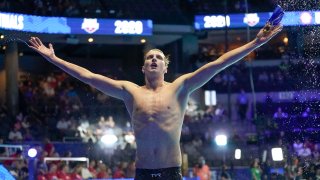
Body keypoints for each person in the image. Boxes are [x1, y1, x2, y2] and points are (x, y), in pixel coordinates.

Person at [28, 22, 282, 180]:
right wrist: (54, 59)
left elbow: (220, 62)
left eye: (158, 57)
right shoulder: (130, 91)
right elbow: (89, 76)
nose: (153, 59)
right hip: (143, 172)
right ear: (142, 68)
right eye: (149, 57)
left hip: (171, 172)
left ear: (165, 67)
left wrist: (255, 42)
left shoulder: (181, 88)